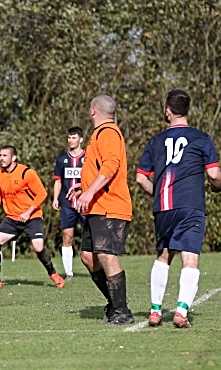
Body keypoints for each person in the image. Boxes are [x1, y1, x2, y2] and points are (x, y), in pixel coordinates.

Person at [136, 89, 221, 328]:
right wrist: (218, 186)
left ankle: (155, 311)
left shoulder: (155, 141)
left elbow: (140, 178)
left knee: (163, 256)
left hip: (164, 207)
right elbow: (214, 175)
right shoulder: (201, 138)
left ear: (167, 111)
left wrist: (160, 193)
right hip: (190, 205)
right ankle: (181, 312)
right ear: (187, 110)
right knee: (190, 259)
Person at [68, 94, 134, 325]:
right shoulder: (99, 134)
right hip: (97, 207)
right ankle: (115, 303)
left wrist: (88, 192)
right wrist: (83, 187)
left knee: (106, 255)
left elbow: (111, 164)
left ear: (93, 111)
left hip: (110, 207)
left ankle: (122, 311)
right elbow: (100, 168)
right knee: (88, 257)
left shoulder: (108, 132)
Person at [0, 146, 65, 290]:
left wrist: (28, 212)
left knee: (38, 247)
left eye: (5, 155)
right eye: (0, 155)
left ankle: (54, 275)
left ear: (14, 158)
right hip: (13, 219)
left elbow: (42, 193)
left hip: (32, 217)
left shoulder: (27, 173)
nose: (1, 158)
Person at [52, 127, 87, 281]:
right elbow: (58, 181)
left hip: (86, 202)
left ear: (80, 139)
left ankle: (98, 266)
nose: (70, 140)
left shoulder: (88, 157)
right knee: (67, 236)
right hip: (67, 203)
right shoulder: (62, 159)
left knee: (92, 234)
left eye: (73, 137)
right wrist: (55, 198)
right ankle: (69, 273)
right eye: (69, 137)